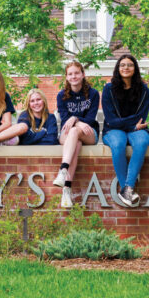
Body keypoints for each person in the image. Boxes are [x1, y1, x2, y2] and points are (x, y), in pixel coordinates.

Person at [101, 54, 149, 208]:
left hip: (136, 129)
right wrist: (132, 125)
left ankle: (127, 188)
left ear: (135, 68)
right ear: (118, 68)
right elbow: (111, 119)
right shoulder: (108, 89)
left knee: (143, 141)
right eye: (122, 65)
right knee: (118, 144)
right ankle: (127, 190)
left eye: (130, 65)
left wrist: (133, 127)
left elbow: (141, 117)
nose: (126, 68)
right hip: (113, 130)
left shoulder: (144, 90)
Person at [53, 61, 100, 205]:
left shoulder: (93, 94)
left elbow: (91, 119)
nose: (74, 76)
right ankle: (66, 190)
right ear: (66, 77)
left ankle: (63, 170)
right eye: (70, 74)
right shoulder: (61, 95)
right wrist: (76, 120)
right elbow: (65, 118)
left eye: (76, 73)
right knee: (76, 141)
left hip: (89, 132)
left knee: (75, 131)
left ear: (83, 74)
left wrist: (75, 119)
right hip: (68, 133)